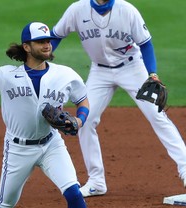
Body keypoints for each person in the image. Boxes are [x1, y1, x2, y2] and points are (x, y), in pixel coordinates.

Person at [51, 0, 186, 197]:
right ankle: (96, 182)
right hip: (99, 71)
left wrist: (152, 74)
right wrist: (40, 60)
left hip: (133, 68)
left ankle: (185, 169)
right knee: (85, 120)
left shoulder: (127, 10)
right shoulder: (77, 10)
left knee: (157, 116)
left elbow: (145, 44)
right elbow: (55, 35)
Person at [0, 12, 89, 208]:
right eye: (40, 42)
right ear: (27, 47)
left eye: (48, 40)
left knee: (73, 193)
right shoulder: (6, 76)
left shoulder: (65, 74)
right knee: (4, 203)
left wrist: (79, 121)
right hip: (18, 149)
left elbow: (82, 100)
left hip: (51, 144)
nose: (47, 45)